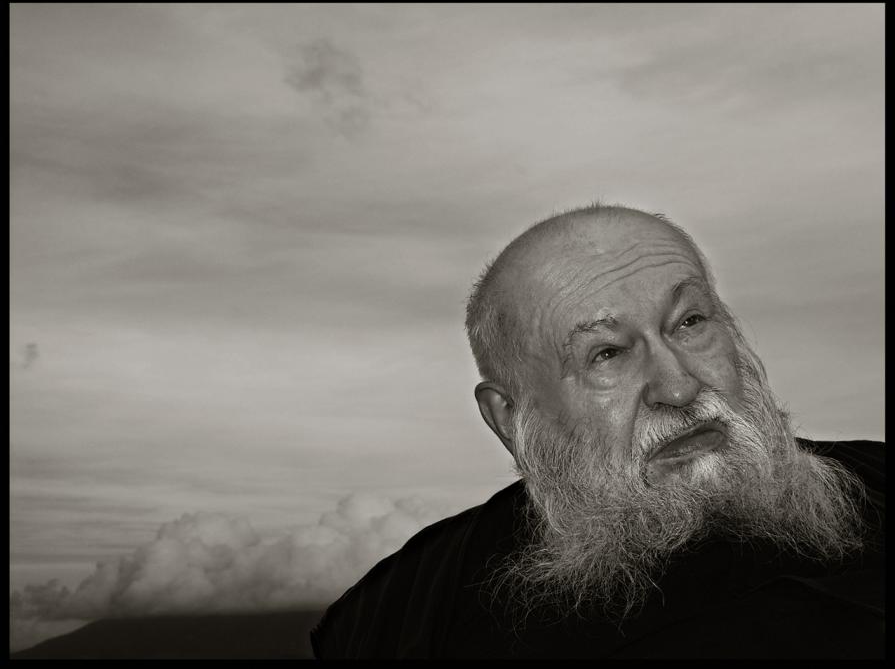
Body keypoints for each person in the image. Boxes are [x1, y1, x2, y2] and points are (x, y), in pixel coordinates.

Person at [310, 204, 885, 659]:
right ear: (509, 417)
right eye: (607, 353)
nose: (678, 387)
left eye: (689, 322)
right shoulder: (407, 615)